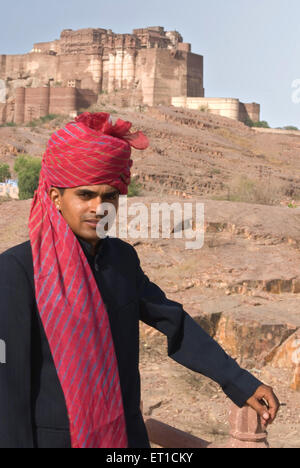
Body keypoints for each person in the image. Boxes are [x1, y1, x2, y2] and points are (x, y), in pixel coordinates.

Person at [0, 112, 279, 448]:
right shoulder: (17, 270)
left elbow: (175, 323)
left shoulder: (121, 260)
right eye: (85, 195)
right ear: (56, 198)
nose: (99, 207)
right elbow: (9, 388)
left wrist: (240, 382)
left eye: (110, 197)